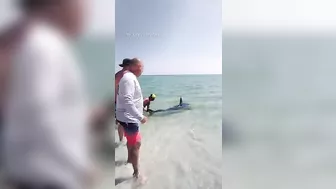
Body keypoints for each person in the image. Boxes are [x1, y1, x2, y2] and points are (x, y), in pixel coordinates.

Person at [3, 0, 96, 189]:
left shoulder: (34, 42)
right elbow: (40, 115)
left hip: (32, 171)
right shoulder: (46, 45)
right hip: (48, 175)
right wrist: (80, 165)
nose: (87, 9)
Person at [116, 58, 147, 178]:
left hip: (126, 116)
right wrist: (140, 117)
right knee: (136, 145)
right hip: (130, 119)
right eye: (141, 67)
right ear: (136, 67)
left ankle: (129, 160)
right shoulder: (129, 78)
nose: (142, 70)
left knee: (131, 141)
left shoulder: (127, 77)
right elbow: (127, 100)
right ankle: (136, 174)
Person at [115, 58, 131, 143]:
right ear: (129, 65)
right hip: (123, 102)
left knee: (121, 123)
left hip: (116, 101)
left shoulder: (117, 74)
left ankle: (121, 140)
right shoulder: (127, 75)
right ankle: (128, 141)